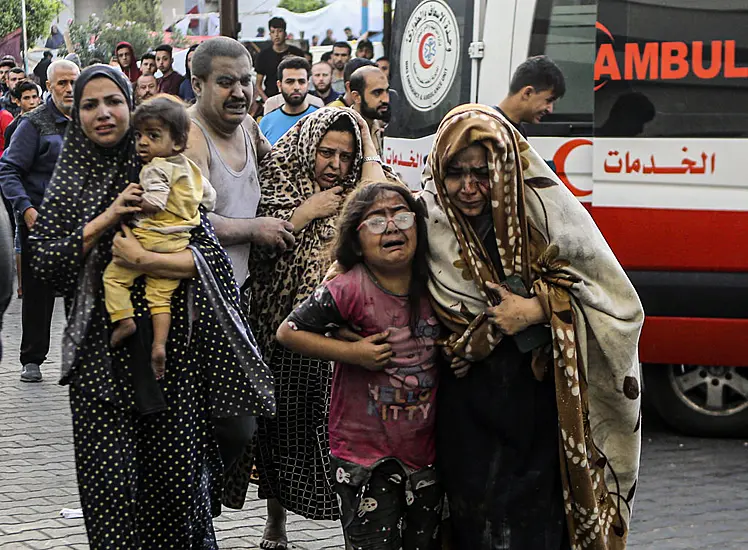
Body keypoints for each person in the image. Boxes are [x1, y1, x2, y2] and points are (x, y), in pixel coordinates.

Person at [28, 64, 275, 548]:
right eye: (89, 104)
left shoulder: (165, 168)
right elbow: (45, 266)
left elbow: (211, 261)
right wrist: (106, 220)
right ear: (74, 115)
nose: (103, 113)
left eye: (113, 101)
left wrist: (145, 258)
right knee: (112, 498)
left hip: (172, 363)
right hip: (100, 366)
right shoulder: (70, 178)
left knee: (178, 496)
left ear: (130, 107)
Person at [420, 104, 643, 549]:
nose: (469, 188)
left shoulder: (548, 213)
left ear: (507, 166)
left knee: (536, 523)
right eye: (455, 173)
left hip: (540, 400)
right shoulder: (424, 220)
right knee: (473, 521)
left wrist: (536, 310)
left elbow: (616, 302)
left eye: (483, 173)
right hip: (465, 404)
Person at [245, 107, 386, 549]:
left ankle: (352, 529)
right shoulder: (279, 175)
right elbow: (260, 252)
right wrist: (305, 213)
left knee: (340, 440)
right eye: (327, 153)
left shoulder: (352, 190)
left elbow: (382, 197)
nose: (335, 165)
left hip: (340, 337)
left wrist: (365, 141)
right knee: (280, 432)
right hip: (280, 330)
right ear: (309, 147)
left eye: (346, 157)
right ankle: (276, 522)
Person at [276, 180, 442, 550]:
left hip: (425, 453)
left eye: (402, 217)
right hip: (363, 455)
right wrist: (354, 354)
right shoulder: (348, 287)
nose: (393, 227)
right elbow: (288, 332)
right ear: (356, 239)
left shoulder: (438, 285)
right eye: (377, 221)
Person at [104, 95, 217, 378]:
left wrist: (129, 202)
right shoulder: (190, 168)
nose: (143, 142)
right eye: (139, 135)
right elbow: (210, 199)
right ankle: (159, 345)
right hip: (179, 242)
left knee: (114, 278)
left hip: (150, 236)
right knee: (160, 299)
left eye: (153, 136)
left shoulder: (155, 168)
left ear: (177, 142)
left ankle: (123, 319)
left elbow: (155, 202)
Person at [184, 37, 295, 290]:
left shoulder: (247, 125)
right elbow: (189, 219)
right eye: (225, 82)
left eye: (245, 81)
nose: (239, 92)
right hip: (199, 295)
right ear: (197, 86)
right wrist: (254, 229)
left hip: (239, 286)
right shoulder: (188, 136)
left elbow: (283, 161)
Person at [0, 60, 79, 383]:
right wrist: (27, 210)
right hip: (41, 224)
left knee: (82, 292)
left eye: (73, 81)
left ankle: (80, 357)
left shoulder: (88, 119)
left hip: (80, 225)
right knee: (37, 294)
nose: (69, 89)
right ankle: (32, 358)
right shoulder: (33, 123)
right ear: (49, 86)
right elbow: (9, 170)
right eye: (62, 83)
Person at [495, 55, 566, 138]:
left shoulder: (517, 131)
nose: (550, 110)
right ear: (527, 93)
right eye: (548, 100)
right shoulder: (486, 130)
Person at [259, 57, 318, 145]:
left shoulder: (320, 117)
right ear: (279, 85)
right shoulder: (266, 122)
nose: (296, 87)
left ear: (308, 85)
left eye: (301, 82)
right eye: (290, 82)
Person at [255, 17, 305, 103]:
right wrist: (266, 100)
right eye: (273, 32)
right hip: (270, 97)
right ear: (270, 34)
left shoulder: (297, 53)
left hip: (294, 97)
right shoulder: (263, 55)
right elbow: (258, 85)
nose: (276, 35)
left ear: (285, 34)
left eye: (280, 31)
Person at [348, 65, 390, 156]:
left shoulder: (376, 126)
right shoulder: (345, 131)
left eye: (387, 91)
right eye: (377, 93)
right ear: (356, 97)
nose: (386, 99)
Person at [4, 79, 42, 145]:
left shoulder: (47, 121)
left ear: (39, 99)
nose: (32, 102)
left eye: (34, 97)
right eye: (26, 98)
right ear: (18, 102)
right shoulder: (13, 128)